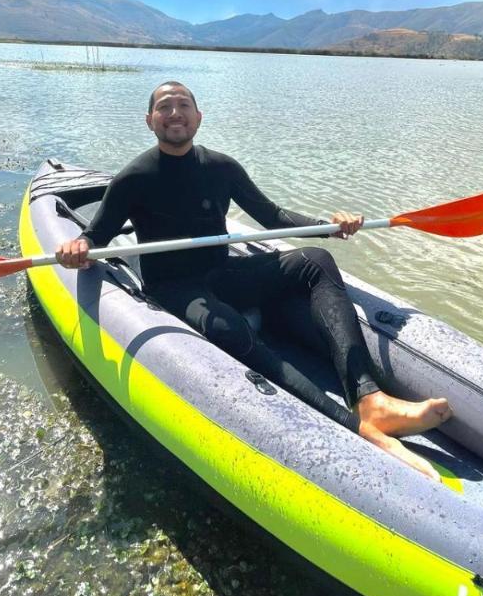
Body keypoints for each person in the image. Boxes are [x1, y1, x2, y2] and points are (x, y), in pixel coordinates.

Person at [57, 81, 451, 480]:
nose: (174, 113)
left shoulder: (221, 167)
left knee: (315, 261)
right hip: (175, 286)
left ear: (198, 116)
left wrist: (327, 227)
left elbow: (273, 215)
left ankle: (368, 398)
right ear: (149, 120)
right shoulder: (133, 178)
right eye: (164, 107)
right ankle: (356, 429)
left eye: (182, 105)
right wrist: (78, 247)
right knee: (230, 329)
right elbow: (97, 235)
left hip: (222, 271)